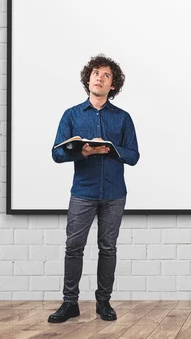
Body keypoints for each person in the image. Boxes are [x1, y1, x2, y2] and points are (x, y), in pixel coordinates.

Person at [48, 54, 139, 323]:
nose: (99, 77)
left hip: (114, 194)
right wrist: (84, 152)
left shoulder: (123, 118)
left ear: (113, 85)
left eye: (106, 75)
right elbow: (57, 154)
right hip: (83, 192)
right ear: (88, 79)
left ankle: (103, 303)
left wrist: (109, 148)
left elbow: (133, 156)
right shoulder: (72, 115)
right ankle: (70, 303)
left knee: (107, 248)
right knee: (73, 247)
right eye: (95, 73)